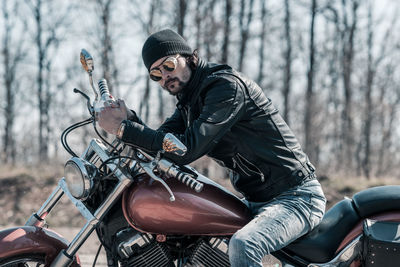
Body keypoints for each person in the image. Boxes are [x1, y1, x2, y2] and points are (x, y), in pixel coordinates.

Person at [98, 29, 326, 267]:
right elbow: (162, 142)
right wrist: (129, 120)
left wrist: (123, 129)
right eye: (156, 73)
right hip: (257, 201)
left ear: (188, 57)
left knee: (244, 245)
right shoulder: (189, 102)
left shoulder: (225, 88)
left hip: (296, 197)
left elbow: (187, 149)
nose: (165, 76)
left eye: (168, 65)